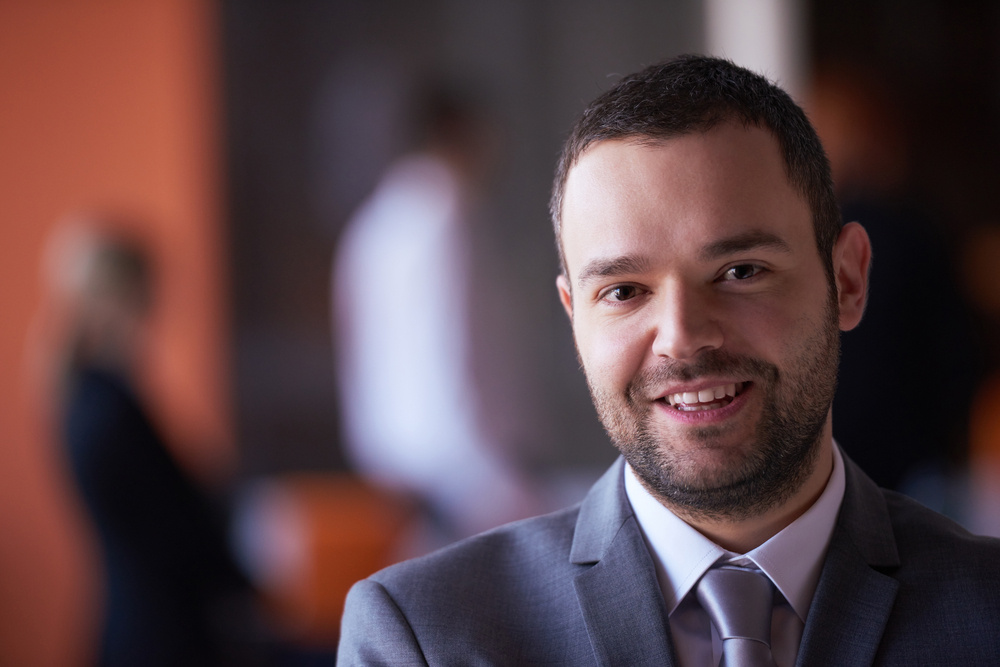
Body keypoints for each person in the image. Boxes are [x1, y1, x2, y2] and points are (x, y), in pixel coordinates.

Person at [337, 56, 1000, 665]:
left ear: (848, 280)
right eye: (624, 291)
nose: (681, 337)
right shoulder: (425, 637)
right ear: (576, 318)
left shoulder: (984, 612)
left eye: (740, 271)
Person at [333, 86, 539, 549]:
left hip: (396, 464)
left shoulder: (374, 220)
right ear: (457, 132)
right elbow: (455, 342)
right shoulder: (446, 210)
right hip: (464, 468)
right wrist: (493, 471)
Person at [49, 223, 257, 667]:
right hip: (160, 635)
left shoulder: (84, 398)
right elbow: (173, 530)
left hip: (135, 624)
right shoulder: (109, 410)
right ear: (121, 295)